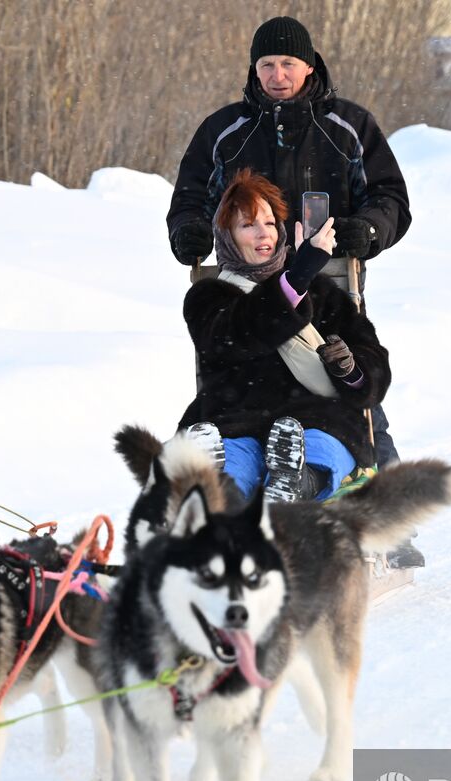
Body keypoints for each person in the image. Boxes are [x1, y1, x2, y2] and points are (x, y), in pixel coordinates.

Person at [166, 15, 410, 475]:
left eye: (288, 63)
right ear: (253, 70)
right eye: (267, 65)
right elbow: (190, 197)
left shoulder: (347, 126)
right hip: (244, 285)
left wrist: (368, 229)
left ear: (310, 67)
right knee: (242, 380)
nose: (277, 76)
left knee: (346, 389)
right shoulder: (225, 131)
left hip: (329, 279)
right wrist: (189, 231)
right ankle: (235, 479)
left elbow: (389, 196)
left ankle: (386, 514)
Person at [178, 169, 389, 504]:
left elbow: (374, 364)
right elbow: (236, 334)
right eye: (248, 225)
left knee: (319, 448)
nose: (263, 233)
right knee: (232, 459)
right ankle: (220, 497)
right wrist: (296, 280)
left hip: (317, 416)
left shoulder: (322, 294)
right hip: (236, 418)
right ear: (228, 236)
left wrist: (350, 369)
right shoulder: (209, 296)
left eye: (269, 222)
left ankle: (296, 484)